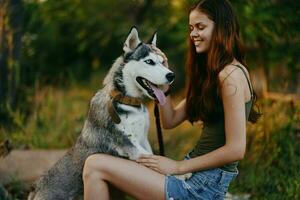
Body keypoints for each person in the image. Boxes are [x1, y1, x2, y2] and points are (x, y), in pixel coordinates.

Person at [82, 0, 261, 199]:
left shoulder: (230, 76)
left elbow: (236, 149)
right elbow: (170, 120)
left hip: (201, 188)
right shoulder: (213, 75)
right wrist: (162, 82)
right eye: (191, 28)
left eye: (201, 27)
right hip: (193, 178)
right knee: (108, 165)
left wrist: (178, 166)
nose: (193, 34)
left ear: (223, 28)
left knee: (94, 165)